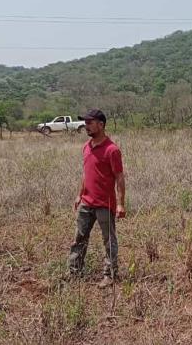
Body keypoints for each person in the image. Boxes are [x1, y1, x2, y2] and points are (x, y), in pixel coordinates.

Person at [67, 109, 126, 288]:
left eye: (90, 123)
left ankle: (110, 275)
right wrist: (79, 194)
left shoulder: (112, 150)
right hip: (87, 202)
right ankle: (74, 272)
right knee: (79, 238)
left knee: (108, 241)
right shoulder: (86, 147)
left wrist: (121, 204)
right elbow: (86, 174)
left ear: (101, 125)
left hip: (104, 204)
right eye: (85, 122)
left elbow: (119, 177)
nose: (86, 126)